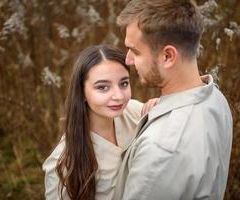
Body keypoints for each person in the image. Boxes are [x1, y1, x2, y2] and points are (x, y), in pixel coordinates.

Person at [112, 0, 233, 200]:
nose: (128, 60)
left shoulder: (160, 151)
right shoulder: (215, 98)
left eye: (135, 51)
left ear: (168, 56)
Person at [42, 45, 157, 200]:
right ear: (81, 92)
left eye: (123, 83)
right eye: (102, 87)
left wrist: (160, 106)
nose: (118, 96)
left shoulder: (133, 112)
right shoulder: (63, 163)